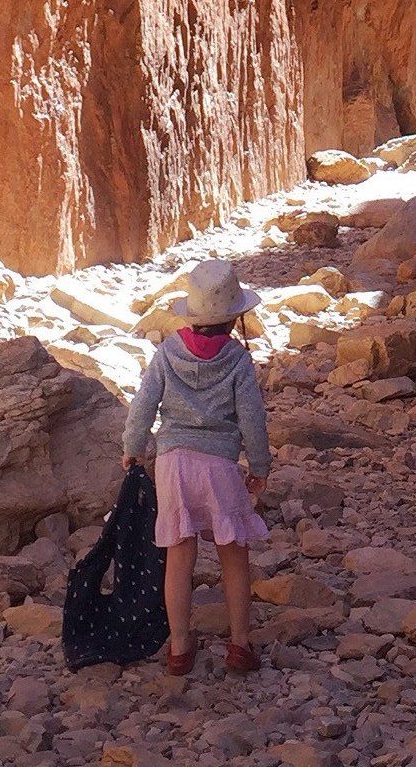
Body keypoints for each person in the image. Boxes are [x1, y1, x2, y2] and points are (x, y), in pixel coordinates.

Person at [121, 259, 271, 676]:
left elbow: (143, 405)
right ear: (234, 318)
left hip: (172, 464)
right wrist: (259, 465)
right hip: (219, 465)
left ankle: (180, 648)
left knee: (179, 555)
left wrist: (133, 448)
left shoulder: (167, 352)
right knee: (233, 554)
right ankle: (240, 644)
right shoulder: (239, 362)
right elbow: (253, 420)